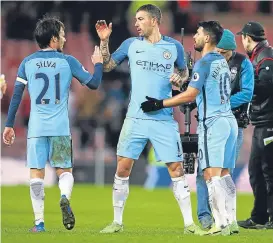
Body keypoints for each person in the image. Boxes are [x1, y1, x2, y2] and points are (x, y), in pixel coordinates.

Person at [95, 4, 201, 234]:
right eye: (136, 19)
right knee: (122, 168)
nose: (136, 23)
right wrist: (104, 41)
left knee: (176, 169)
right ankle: (117, 222)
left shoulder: (173, 47)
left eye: (141, 19)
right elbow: (107, 65)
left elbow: (185, 76)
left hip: (163, 118)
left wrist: (179, 77)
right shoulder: (131, 44)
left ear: (154, 21)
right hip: (136, 117)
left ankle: (189, 224)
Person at [2, 16, 103, 232]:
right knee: (64, 171)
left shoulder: (27, 63)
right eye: (63, 34)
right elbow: (94, 84)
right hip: (60, 128)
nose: (66, 38)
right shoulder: (68, 61)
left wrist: (9, 125)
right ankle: (64, 197)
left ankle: (39, 224)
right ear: (54, 39)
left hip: (37, 128)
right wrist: (99, 64)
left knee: (36, 175)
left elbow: (17, 96)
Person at [141, 21, 238, 236]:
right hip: (229, 120)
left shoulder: (204, 63)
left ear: (208, 38)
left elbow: (191, 95)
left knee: (210, 175)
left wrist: (160, 103)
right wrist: (188, 83)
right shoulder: (221, 61)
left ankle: (219, 223)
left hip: (212, 123)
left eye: (198, 33)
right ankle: (231, 221)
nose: (194, 36)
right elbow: (207, 90)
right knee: (224, 175)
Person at [195, 29, 254, 231]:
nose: (220, 56)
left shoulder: (243, 63)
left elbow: (247, 93)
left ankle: (225, 221)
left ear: (231, 50)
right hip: (216, 120)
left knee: (220, 171)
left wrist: (223, 104)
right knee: (209, 172)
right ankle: (209, 217)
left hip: (232, 122)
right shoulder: (209, 61)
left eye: (223, 53)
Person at [236, 21, 273, 230]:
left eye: (243, 38)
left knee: (268, 172)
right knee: (256, 171)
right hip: (263, 121)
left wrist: (244, 87)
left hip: (269, 121)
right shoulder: (260, 56)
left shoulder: (266, 56)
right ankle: (259, 217)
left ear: (248, 38)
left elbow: (267, 85)